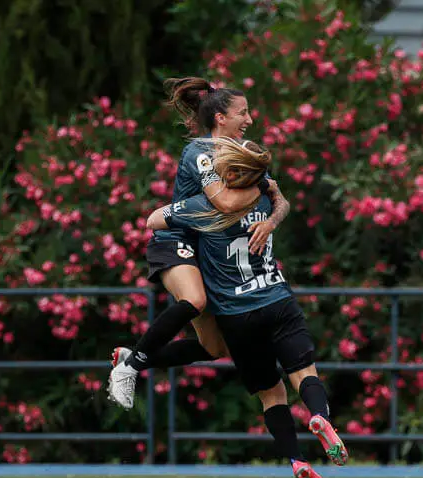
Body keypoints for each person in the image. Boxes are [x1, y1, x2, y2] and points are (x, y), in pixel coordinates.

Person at [146, 137, 348, 478]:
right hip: (276, 300)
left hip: (236, 316)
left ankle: (296, 460)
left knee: (272, 395)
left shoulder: (204, 206)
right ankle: (320, 418)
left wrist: (189, 223)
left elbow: (154, 221)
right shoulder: (265, 198)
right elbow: (279, 198)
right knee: (304, 373)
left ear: (228, 172)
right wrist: (268, 201)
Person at [107, 77, 290, 410]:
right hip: (175, 241)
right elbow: (225, 203)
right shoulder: (200, 151)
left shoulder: (239, 153)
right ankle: (128, 370)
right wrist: (264, 186)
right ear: (221, 118)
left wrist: (271, 216)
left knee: (214, 349)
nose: (250, 120)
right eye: (243, 112)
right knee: (194, 299)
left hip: (203, 253)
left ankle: (135, 357)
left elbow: (282, 201)